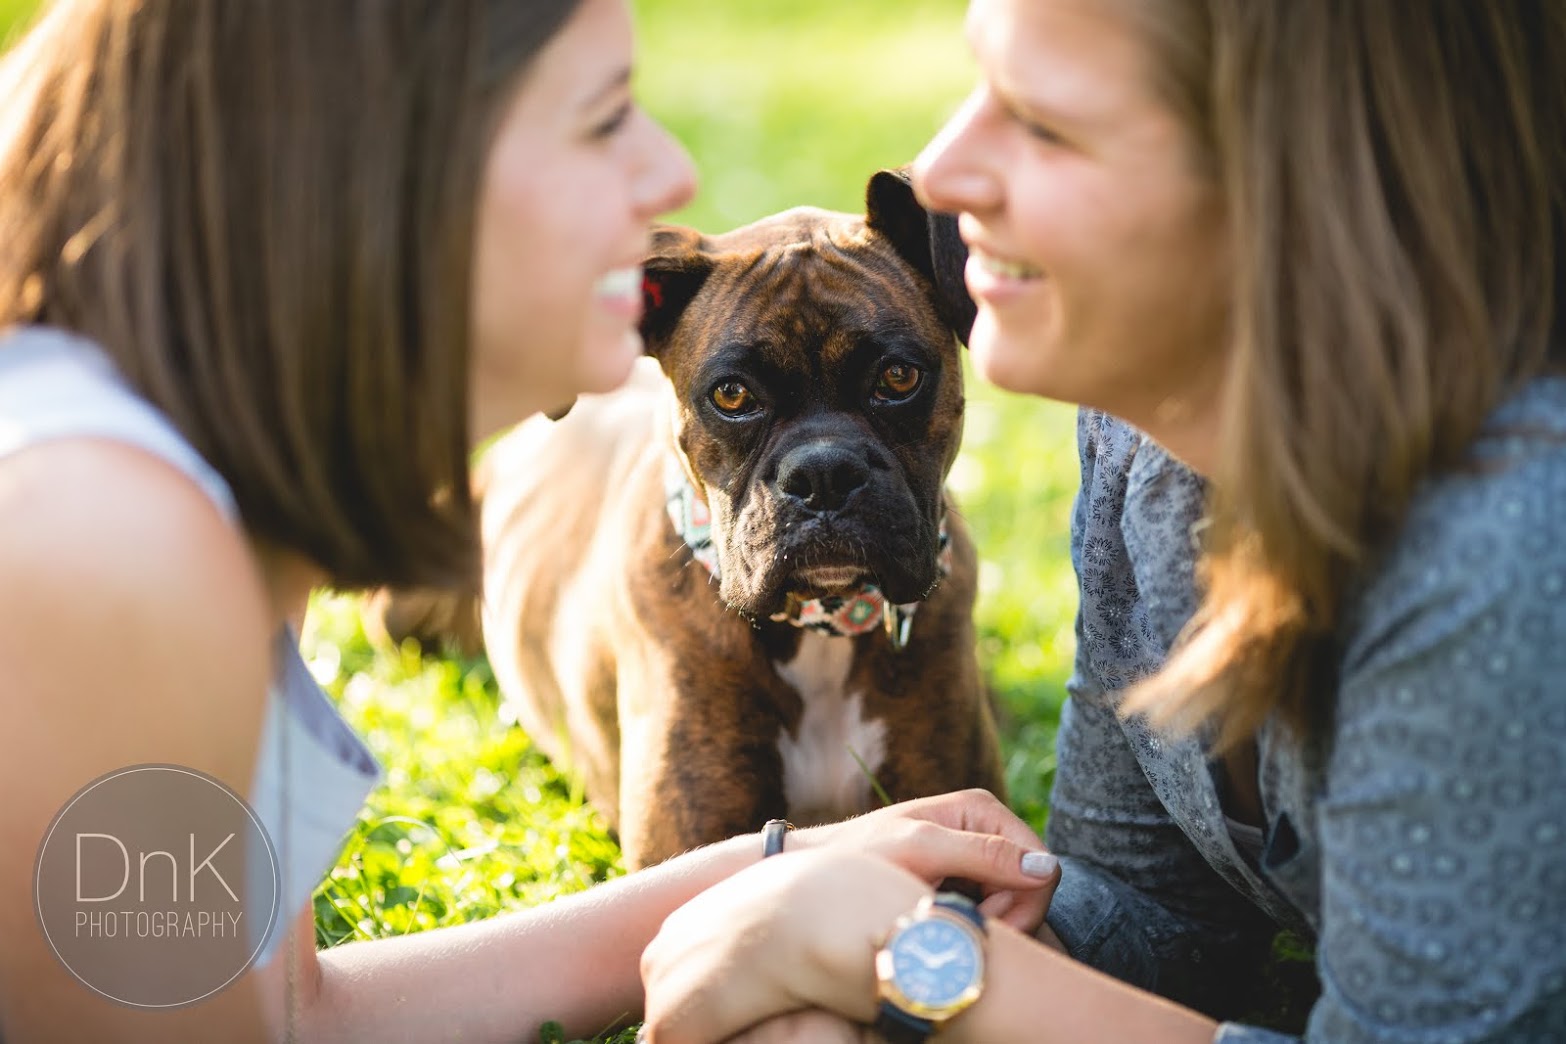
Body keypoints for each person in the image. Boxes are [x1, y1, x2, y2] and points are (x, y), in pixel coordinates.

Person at [0, 0, 1063, 1040]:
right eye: (605, 119)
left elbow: (288, 1010)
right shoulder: (104, 542)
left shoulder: (179, 510)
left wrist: (776, 876)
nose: (672, 177)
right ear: (383, 173)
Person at [637, 0, 1566, 1041]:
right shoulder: (1144, 444)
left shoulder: (1507, 541)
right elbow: (1153, 918)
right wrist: (831, 943)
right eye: (976, 88)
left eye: (1041, 122)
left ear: (1283, 179)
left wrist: (916, 964)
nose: (937, 172)